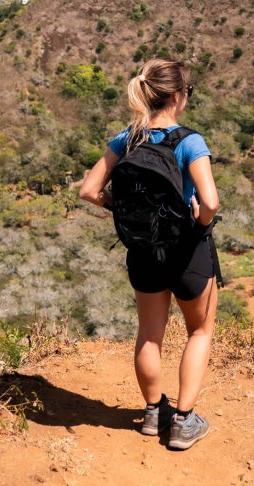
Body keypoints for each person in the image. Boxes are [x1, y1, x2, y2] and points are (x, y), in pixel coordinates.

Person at [79, 58, 220, 450]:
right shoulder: (189, 141)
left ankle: (154, 412)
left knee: (150, 336)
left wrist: (121, 210)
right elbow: (209, 201)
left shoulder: (127, 139)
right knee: (199, 330)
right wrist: (201, 220)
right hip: (188, 252)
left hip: (142, 253)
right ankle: (184, 422)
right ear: (177, 97)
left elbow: (88, 190)